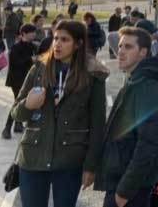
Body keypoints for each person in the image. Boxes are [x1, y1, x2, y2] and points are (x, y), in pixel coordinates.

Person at [11, 20, 108, 207]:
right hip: (33, 157)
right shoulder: (38, 68)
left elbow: (98, 125)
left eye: (65, 39)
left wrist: (90, 166)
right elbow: (16, 114)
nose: (57, 44)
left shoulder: (93, 75)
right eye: (55, 38)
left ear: (78, 44)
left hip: (70, 160)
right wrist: (28, 105)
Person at [95, 27, 158, 207]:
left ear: (143, 52)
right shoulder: (136, 79)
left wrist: (125, 191)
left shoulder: (147, 87)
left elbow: (148, 145)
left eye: (128, 47)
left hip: (129, 186)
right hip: (122, 178)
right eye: (120, 46)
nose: (120, 51)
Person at [2, 23, 38, 139]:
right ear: (23, 34)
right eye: (31, 32)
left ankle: (18, 125)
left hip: (28, 79)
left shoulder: (33, 47)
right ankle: (7, 128)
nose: (34, 34)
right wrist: (30, 60)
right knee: (18, 102)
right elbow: (16, 63)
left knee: (22, 102)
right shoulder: (16, 47)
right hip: (16, 79)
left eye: (34, 32)